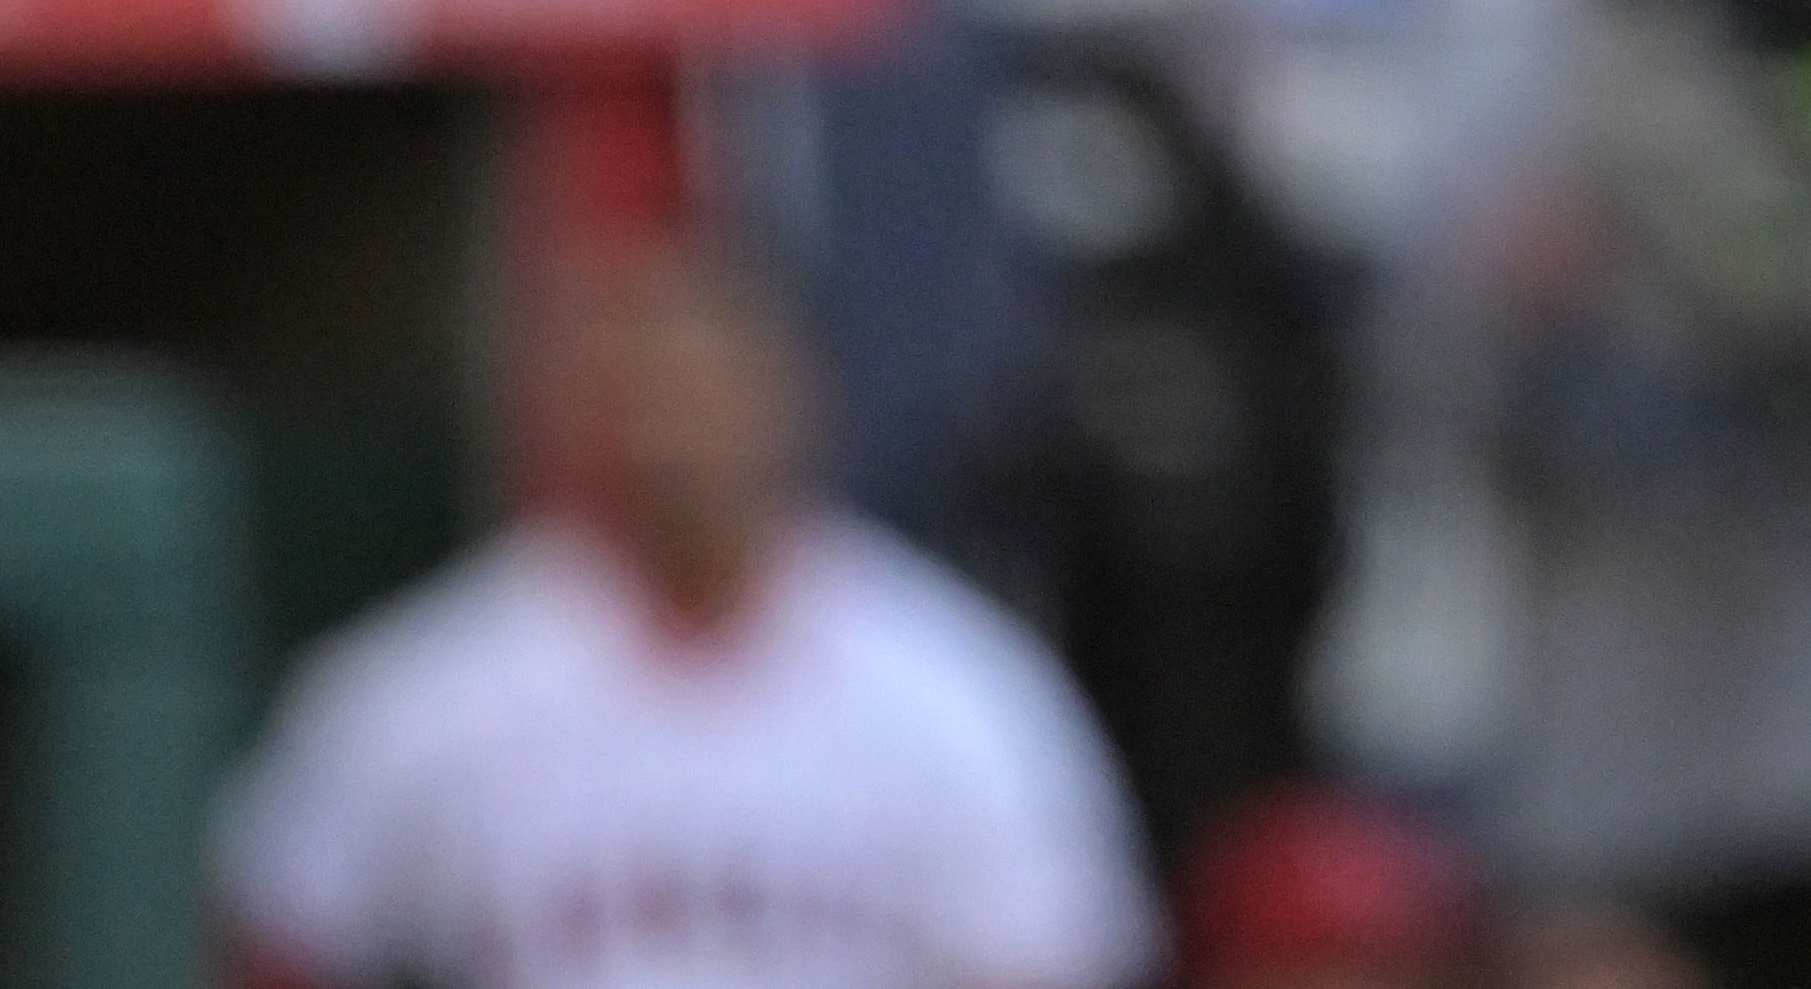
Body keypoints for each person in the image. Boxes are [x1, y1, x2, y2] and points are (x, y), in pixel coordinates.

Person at [220, 238, 1153, 989]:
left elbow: (1048, 953)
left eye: (717, 385)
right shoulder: (439, 675)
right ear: (588, 406)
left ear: (798, 397)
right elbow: (282, 937)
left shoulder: (951, 682)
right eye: (650, 385)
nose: (683, 427)